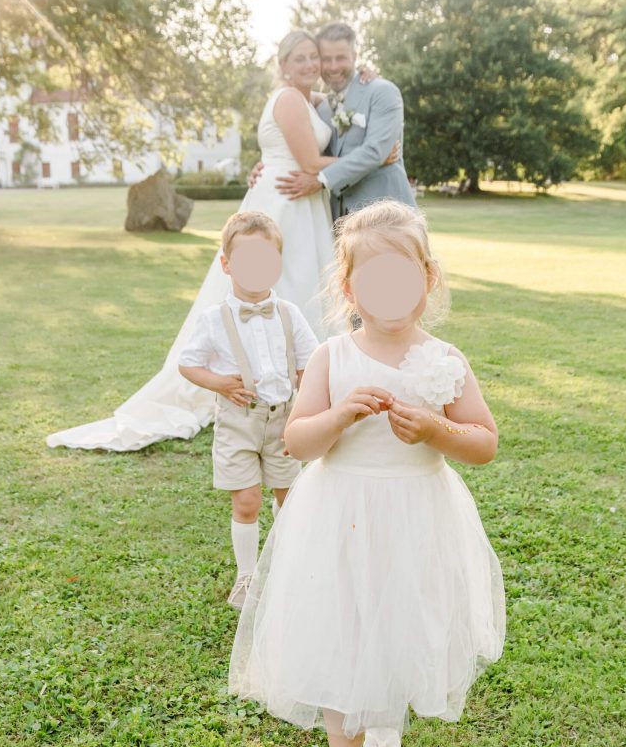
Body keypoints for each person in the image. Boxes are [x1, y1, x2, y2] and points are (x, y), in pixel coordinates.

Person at [229, 200, 506, 747]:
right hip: (340, 517)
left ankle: (386, 730)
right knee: (344, 630)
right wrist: (339, 415)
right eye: (374, 280)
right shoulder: (333, 357)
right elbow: (297, 442)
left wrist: (436, 429)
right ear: (349, 288)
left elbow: (484, 442)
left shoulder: (445, 359)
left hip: (416, 517)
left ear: (428, 279)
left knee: (399, 622)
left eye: (403, 277)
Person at [46, 29, 391, 452]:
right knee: (286, 283)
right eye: (299, 58)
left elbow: (336, 97)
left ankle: (300, 380)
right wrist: (375, 157)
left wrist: (364, 74)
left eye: (313, 58)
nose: (310, 65)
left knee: (298, 286)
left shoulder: (310, 99)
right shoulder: (287, 98)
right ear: (283, 65)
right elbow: (307, 160)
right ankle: (284, 383)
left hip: (300, 200)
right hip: (286, 200)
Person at [178, 211, 318, 609]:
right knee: (246, 501)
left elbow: (309, 365)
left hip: (283, 419)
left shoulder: (289, 313)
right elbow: (188, 364)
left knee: (288, 495)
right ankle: (246, 575)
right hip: (238, 421)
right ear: (226, 264)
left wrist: (304, 410)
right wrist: (220, 383)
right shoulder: (214, 319)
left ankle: (287, 563)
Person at [275, 21, 417, 221]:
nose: (333, 67)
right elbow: (301, 146)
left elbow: (374, 152)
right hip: (339, 221)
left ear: (355, 56)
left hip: (388, 215)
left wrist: (321, 181)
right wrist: (266, 164)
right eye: (327, 59)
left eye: (340, 58)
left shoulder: (382, 92)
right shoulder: (321, 107)